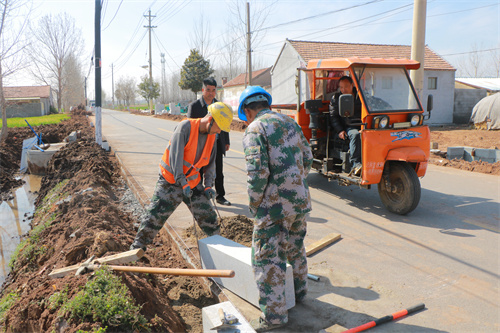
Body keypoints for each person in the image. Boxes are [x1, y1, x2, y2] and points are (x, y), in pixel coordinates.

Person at [238, 86, 313, 332]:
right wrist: (295, 184)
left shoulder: (254, 129)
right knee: (295, 247)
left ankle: (274, 317)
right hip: (300, 201)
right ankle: (300, 293)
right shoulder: (290, 123)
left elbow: (257, 173)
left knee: (266, 259)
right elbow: (308, 158)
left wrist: (255, 203)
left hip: (273, 208)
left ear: (248, 110)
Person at [130, 102, 233, 251]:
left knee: (209, 218)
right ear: (210, 121)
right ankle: (136, 249)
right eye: (219, 128)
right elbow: (175, 159)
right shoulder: (185, 128)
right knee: (154, 217)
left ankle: (222, 250)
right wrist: (182, 182)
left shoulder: (212, 137)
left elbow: (210, 164)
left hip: (192, 183)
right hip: (170, 181)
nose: (219, 132)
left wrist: (209, 185)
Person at [187, 77, 231, 206]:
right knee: (199, 170)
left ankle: (220, 196)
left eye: (213, 90)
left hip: (216, 143)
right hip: (200, 145)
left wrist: (226, 141)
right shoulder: (194, 106)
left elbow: (224, 124)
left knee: (218, 171)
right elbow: (190, 125)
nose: (211, 93)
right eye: (208, 90)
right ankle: (200, 195)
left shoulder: (219, 106)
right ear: (202, 90)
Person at [329, 75, 363, 176]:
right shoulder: (336, 98)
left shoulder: (361, 96)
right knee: (356, 135)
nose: (343, 90)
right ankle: (356, 164)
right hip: (349, 126)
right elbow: (333, 117)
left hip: (364, 124)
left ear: (352, 85)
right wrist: (340, 130)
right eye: (341, 87)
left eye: (346, 87)